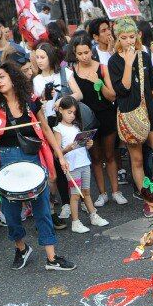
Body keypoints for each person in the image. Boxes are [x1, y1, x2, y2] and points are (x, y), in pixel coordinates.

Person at [0, 61, 76, 271]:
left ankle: (52, 257)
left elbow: (46, 130)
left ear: (12, 77)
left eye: (1, 77)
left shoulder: (30, 101)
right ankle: (21, 248)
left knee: (42, 210)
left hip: (32, 159)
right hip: (6, 162)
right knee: (10, 214)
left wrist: (61, 156)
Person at [110, 17, 153, 200]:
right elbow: (122, 89)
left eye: (132, 36)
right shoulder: (113, 62)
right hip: (130, 115)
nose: (129, 41)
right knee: (138, 160)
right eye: (124, 37)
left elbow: (152, 88)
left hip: (150, 114)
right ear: (117, 38)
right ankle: (149, 201)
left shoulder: (145, 56)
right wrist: (127, 63)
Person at [70, 34, 125, 206]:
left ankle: (116, 191)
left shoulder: (102, 68)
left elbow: (112, 96)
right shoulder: (72, 71)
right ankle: (102, 194)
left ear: (91, 50)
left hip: (106, 116)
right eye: (80, 54)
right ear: (75, 53)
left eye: (86, 52)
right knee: (95, 157)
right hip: (86, 120)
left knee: (109, 154)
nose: (84, 57)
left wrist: (99, 83)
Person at [51, 96, 107, 234]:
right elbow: (56, 152)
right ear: (60, 111)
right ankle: (75, 222)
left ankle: (93, 215)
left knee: (86, 192)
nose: (72, 115)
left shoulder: (77, 126)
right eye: (69, 112)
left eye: (74, 113)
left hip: (84, 163)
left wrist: (88, 145)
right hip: (72, 166)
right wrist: (68, 149)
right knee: (75, 195)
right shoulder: (58, 129)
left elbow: (81, 147)